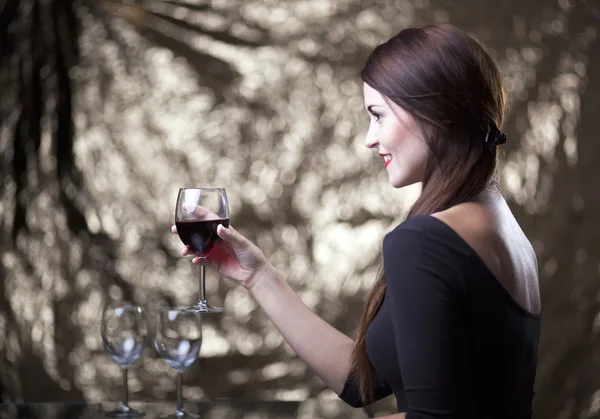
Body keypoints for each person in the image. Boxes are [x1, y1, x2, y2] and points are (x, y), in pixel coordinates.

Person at [172, 23, 541, 418]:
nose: (369, 138)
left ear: (435, 111)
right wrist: (258, 276)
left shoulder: (428, 240)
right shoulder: (501, 227)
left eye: (378, 115)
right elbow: (361, 383)